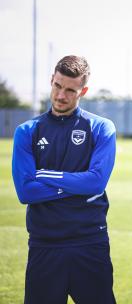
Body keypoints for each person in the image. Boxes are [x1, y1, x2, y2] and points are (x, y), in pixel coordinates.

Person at [11, 55, 116, 304]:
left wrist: (48, 176)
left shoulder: (101, 128)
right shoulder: (27, 131)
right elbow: (26, 192)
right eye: (57, 86)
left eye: (70, 90)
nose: (61, 95)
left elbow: (96, 183)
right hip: (45, 245)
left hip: (90, 243)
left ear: (84, 91)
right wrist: (79, 184)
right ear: (51, 81)